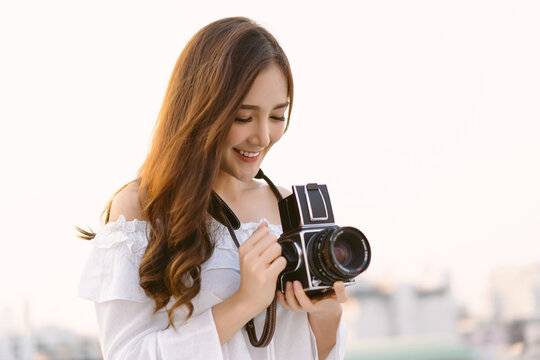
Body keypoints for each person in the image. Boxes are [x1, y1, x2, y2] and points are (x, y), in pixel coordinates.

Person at [78, 17, 348, 360]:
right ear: (202, 110)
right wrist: (243, 303)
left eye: (278, 116)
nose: (263, 137)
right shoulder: (141, 208)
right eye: (243, 117)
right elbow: (127, 355)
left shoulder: (291, 206)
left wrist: (328, 316)